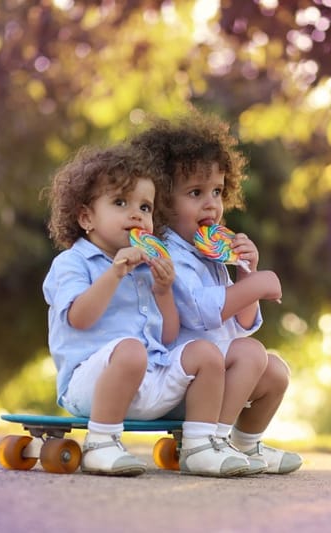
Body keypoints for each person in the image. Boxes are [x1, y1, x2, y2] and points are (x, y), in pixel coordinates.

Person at [42, 143, 253, 478]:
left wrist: (163, 289)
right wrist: (114, 273)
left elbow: (167, 335)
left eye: (145, 206)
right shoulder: (72, 263)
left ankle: (199, 447)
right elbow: (78, 318)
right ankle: (101, 443)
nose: (136, 214)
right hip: (89, 385)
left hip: (150, 376)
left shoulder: (145, 267)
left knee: (204, 352)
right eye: (120, 203)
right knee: (130, 351)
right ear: (86, 217)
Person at [131, 112, 303, 474]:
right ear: (161, 201)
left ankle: (245, 444)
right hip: (186, 376)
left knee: (275, 371)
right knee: (252, 354)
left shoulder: (209, 254)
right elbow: (201, 311)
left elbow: (242, 322)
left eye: (218, 192)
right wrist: (259, 284)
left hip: (221, 371)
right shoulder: (167, 253)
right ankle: (205, 442)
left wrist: (245, 273)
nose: (212, 204)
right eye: (196, 193)